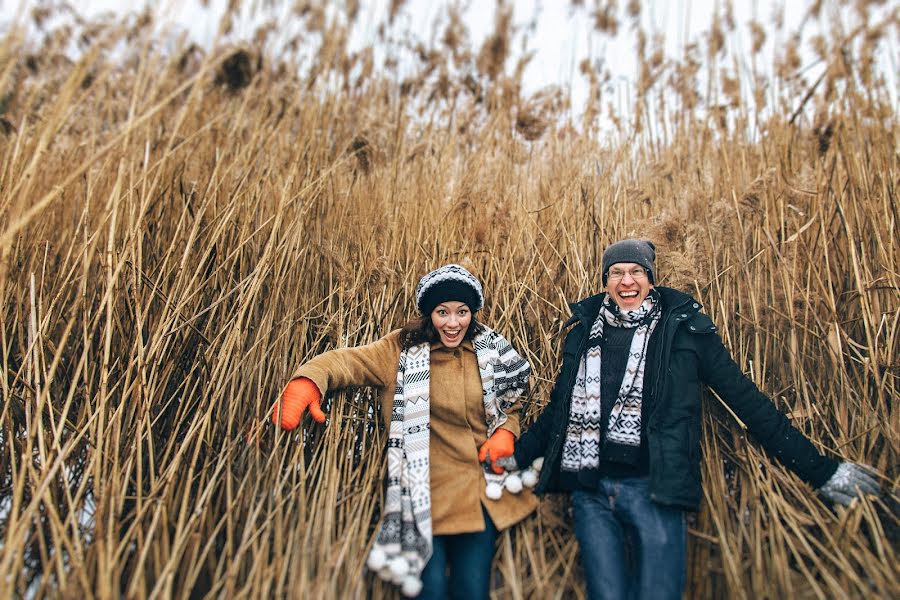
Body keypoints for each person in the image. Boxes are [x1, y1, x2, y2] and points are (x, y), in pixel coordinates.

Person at [492, 239, 881, 600]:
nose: (627, 281)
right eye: (616, 273)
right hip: (590, 491)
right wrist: (514, 456)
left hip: (654, 490)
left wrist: (822, 471)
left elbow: (748, 402)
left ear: (650, 278)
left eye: (636, 272)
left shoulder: (685, 331)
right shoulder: (584, 332)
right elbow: (559, 413)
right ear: (605, 280)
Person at [272, 264, 538, 599]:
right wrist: (307, 382)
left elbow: (515, 399)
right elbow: (341, 363)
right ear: (429, 313)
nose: (453, 323)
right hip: (421, 499)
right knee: (431, 592)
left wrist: (507, 431)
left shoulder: (491, 351)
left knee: (472, 591)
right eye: (443, 312)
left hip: (478, 495)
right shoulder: (399, 350)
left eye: (462, 312)